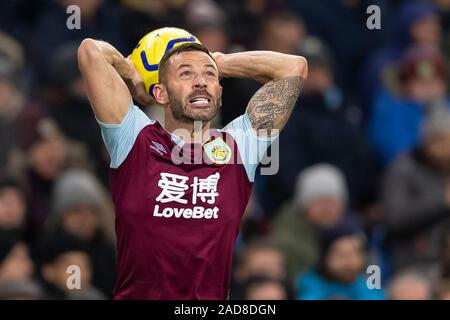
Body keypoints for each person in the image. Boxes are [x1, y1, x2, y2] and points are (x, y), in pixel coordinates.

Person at [77, 36, 307, 300]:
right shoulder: (134, 138)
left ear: (219, 93)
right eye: (185, 74)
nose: (200, 82)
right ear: (160, 92)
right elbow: (90, 51)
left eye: (209, 76)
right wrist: (132, 73)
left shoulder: (240, 146)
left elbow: (293, 67)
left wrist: (220, 61)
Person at [382, 107, 450, 273]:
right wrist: (442, 201)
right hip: (413, 262)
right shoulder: (402, 169)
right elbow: (395, 218)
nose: (444, 148)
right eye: (438, 141)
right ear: (425, 141)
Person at [272, 164, 355, 285]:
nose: (327, 209)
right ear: (303, 207)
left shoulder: (353, 235)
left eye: (332, 201)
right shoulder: (285, 242)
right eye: (319, 202)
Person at [295, 221, 385, 300]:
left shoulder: (368, 288)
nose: (349, 262)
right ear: (325, 258)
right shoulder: (309, 286)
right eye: (341, 255)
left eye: (355, 254)